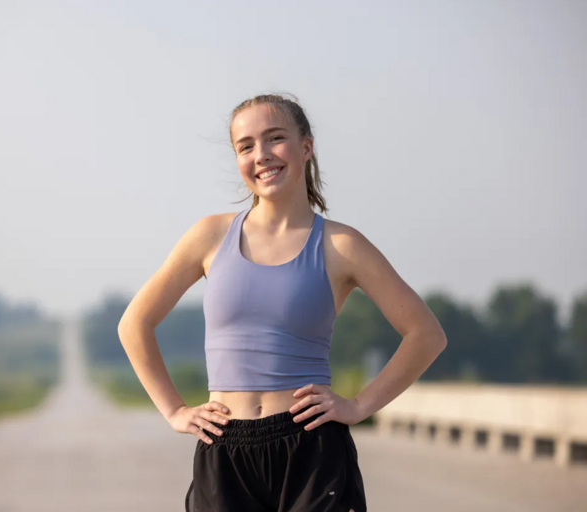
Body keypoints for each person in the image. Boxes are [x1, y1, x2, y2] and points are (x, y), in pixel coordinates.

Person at [117, 93, 447, 512]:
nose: (262, 155)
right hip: (225, 447)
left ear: (306, 147)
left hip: (313, 448)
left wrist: (360, 405)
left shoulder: (341, 245)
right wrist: (175, 410)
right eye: (246, 146)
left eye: (275, 139)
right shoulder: (209, 236)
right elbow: (135, 324)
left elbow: (425, 334)